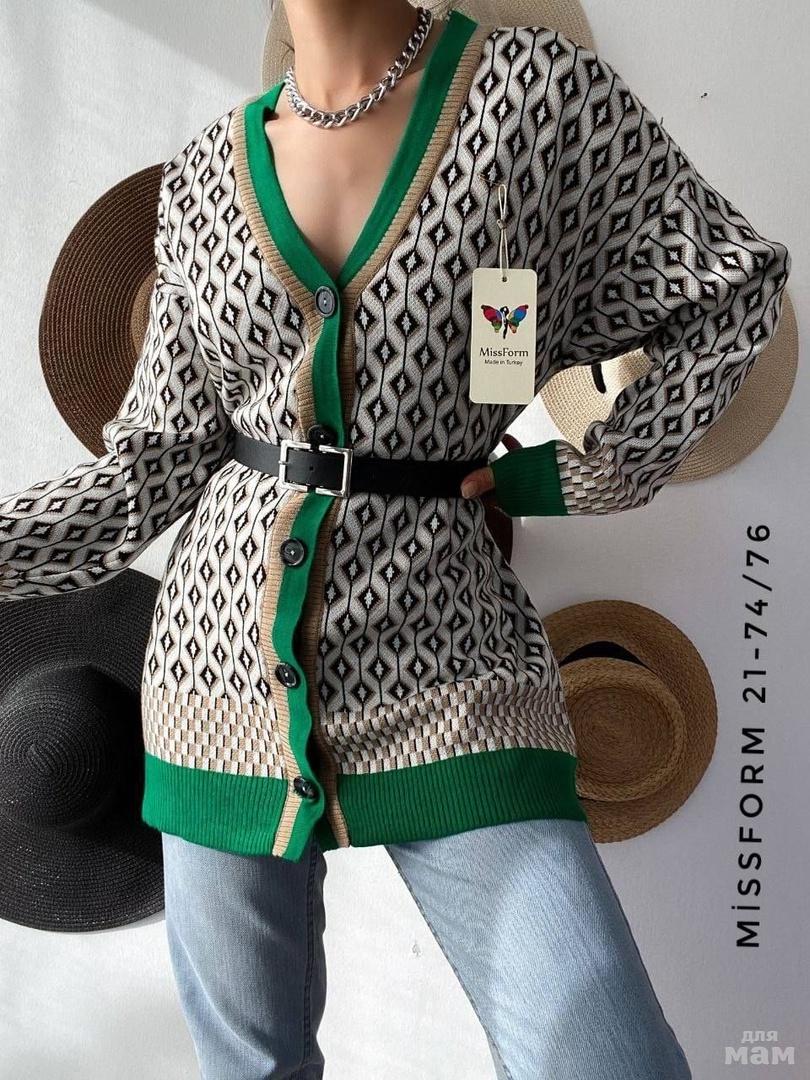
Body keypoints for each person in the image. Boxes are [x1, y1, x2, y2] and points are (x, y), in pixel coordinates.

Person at [1, 1, 790, 1077]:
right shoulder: (203, 178)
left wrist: (573, 471)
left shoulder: (536, 97)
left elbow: (729, 290)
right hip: (216, 682)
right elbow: (151, 466)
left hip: (452, 661)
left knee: (610, 1059)